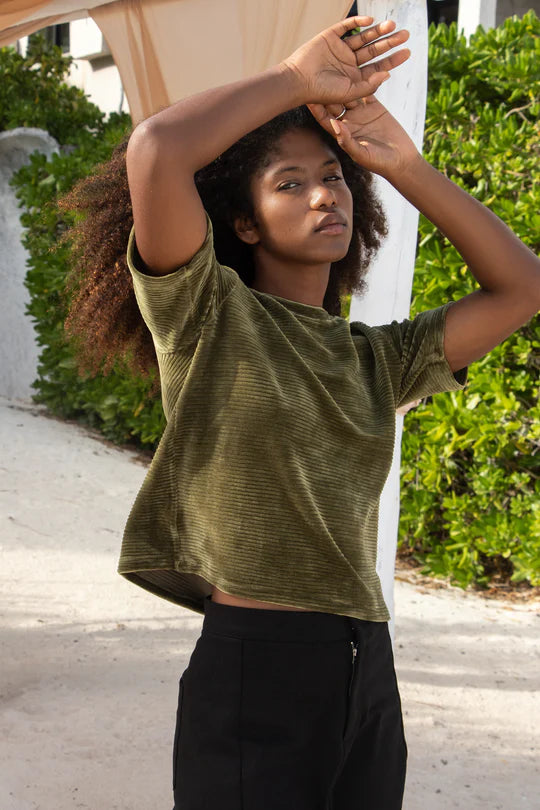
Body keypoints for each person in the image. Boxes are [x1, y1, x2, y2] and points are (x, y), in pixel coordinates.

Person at [60, 14, 540, 810]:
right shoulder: (208, 319)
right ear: (243, 222)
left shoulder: (377, 358)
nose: (325, 194)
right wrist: (295, 79)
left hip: (366, 668)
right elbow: (156, 152)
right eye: (289, 182)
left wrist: (406, 165)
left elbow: (522, 289)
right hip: (259, 669)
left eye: (335, 177)